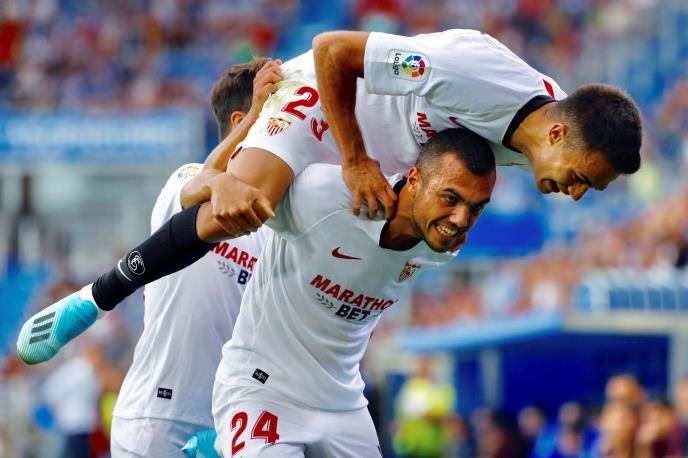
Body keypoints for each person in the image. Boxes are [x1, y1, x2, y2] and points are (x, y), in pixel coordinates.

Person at [16, 28, 642, 365]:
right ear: (558, 134)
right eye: (582, 177)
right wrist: (355, 159)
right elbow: (334, 50)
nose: (576, 195)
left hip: (395, 159)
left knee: (358, 265)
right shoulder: (477, 76)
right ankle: (95, 297)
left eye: (589, 189)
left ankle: (244, 417)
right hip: (325, 100)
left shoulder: (536, 143)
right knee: (239, 208)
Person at [212, 128, 495, 456]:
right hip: (263, 389)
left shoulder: (441, 248)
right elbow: (235, 188)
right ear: (414, 180)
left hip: (344, 404)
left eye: (476, 208)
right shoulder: (325, 195)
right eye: (450, 198)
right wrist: (209, 179)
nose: (461, 219)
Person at [107, 59, 281, 457]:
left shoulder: (276, 224)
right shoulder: (186, 178)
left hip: (232, 427)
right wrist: (258, 115)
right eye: (278, 118)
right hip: (157, 419)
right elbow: (202, 186)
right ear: (241, 121)